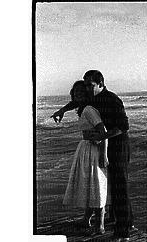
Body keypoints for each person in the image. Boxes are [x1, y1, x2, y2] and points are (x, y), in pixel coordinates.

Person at [52, 70, 133, 241]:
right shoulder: (93, 97)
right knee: (111, 186)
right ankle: (124, 221)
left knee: (120, 187)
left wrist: (101, 137)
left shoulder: (111, 99)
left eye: (91, 85)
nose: (88, 88)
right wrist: (62, 110)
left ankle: (123, 233)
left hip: (118, 146)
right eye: (86, 84)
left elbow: (123, 126)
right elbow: (77, 102)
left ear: (100, 84)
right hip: (106, 144)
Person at [62, 80, 120, 236]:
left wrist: (104, 154)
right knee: (89, 185)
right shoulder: (83, 108)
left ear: (88, 93)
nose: (78, 94)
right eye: (75, 92)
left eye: (82, 91)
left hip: (94, 150)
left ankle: (99, 225)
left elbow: (104, 131)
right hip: (86, 148)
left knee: (96, 186)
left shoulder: (89, 110)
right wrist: (61, 111)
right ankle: (86, 218)